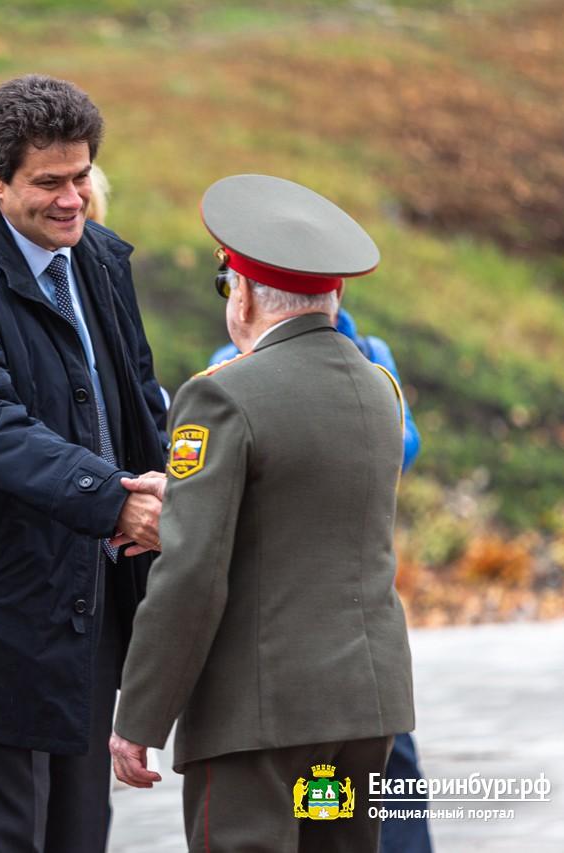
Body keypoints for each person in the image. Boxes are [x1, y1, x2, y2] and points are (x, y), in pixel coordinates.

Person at [0, 75, 168, 853]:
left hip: (92, 601)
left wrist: (178, 486)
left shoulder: (102, 259)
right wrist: (112, 501)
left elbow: (139, 401)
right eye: (48, 182)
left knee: (82, 834)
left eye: (81, 177)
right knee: (9, 838)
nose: (72, 198)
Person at [109, 174, 415, 852]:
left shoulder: (224, 395)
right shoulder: (380, 388)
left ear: (240, 290)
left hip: (261, 719)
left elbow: (191, 573)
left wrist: (140, 716)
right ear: (336, 291)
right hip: (359, 712)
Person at [210, 303, 430, 853]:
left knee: (382, 784)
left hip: (355, 619)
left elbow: (403, 445)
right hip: (287, 624)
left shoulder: (371, 358)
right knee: (301, 811)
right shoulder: (229, 364)